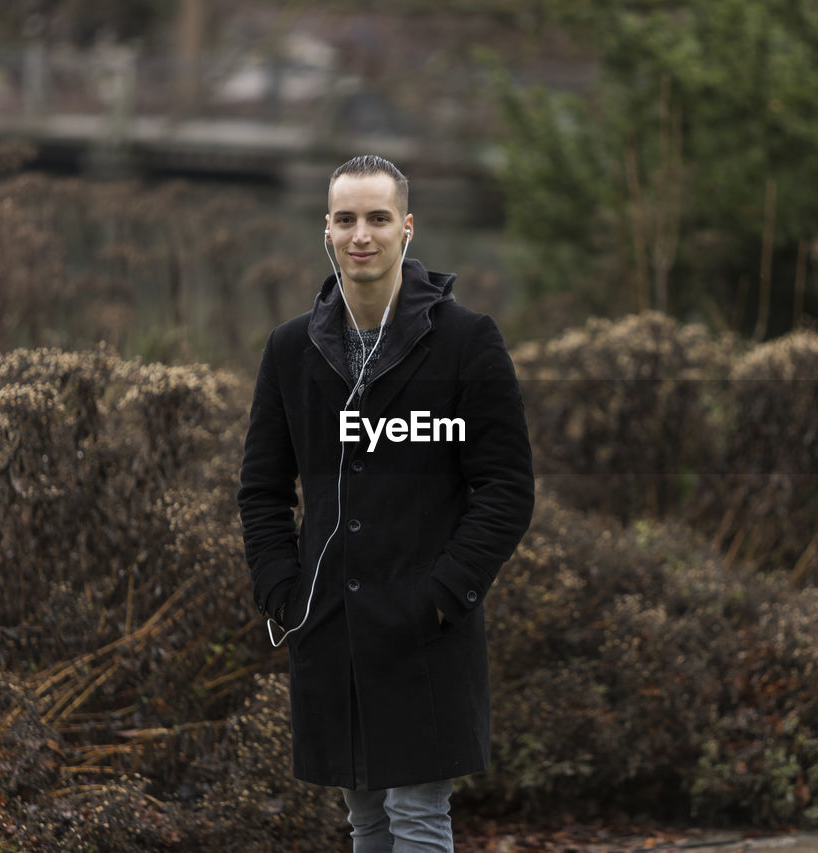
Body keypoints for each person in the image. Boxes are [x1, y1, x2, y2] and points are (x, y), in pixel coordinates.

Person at [237, 154, 534, 851]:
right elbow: (262, 488)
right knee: (364, 816)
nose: (360, 234)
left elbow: (507, 488)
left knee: (419, 816)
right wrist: (283, 591)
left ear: (406, 229)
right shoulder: (289, 350)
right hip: (329, 622)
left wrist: (444, 592)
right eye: (345, 219)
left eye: (376, 218)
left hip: (425, 624)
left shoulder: (467, 342)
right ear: (328, 232)